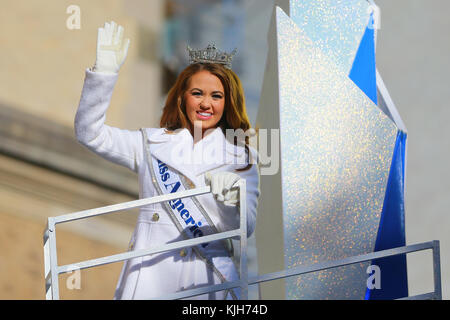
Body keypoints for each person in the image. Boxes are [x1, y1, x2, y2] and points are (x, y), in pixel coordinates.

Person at [75, 21, 260, 300]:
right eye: (197, 93)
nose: (206, 104)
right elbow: (90, 134)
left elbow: (245, 227)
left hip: (207, 282)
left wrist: (231, 199)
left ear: (228, 102)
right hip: (150, 278)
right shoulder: (150, 143)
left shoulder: (242, 158)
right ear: (182, 97)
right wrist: (104, 74)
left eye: (216, 96)